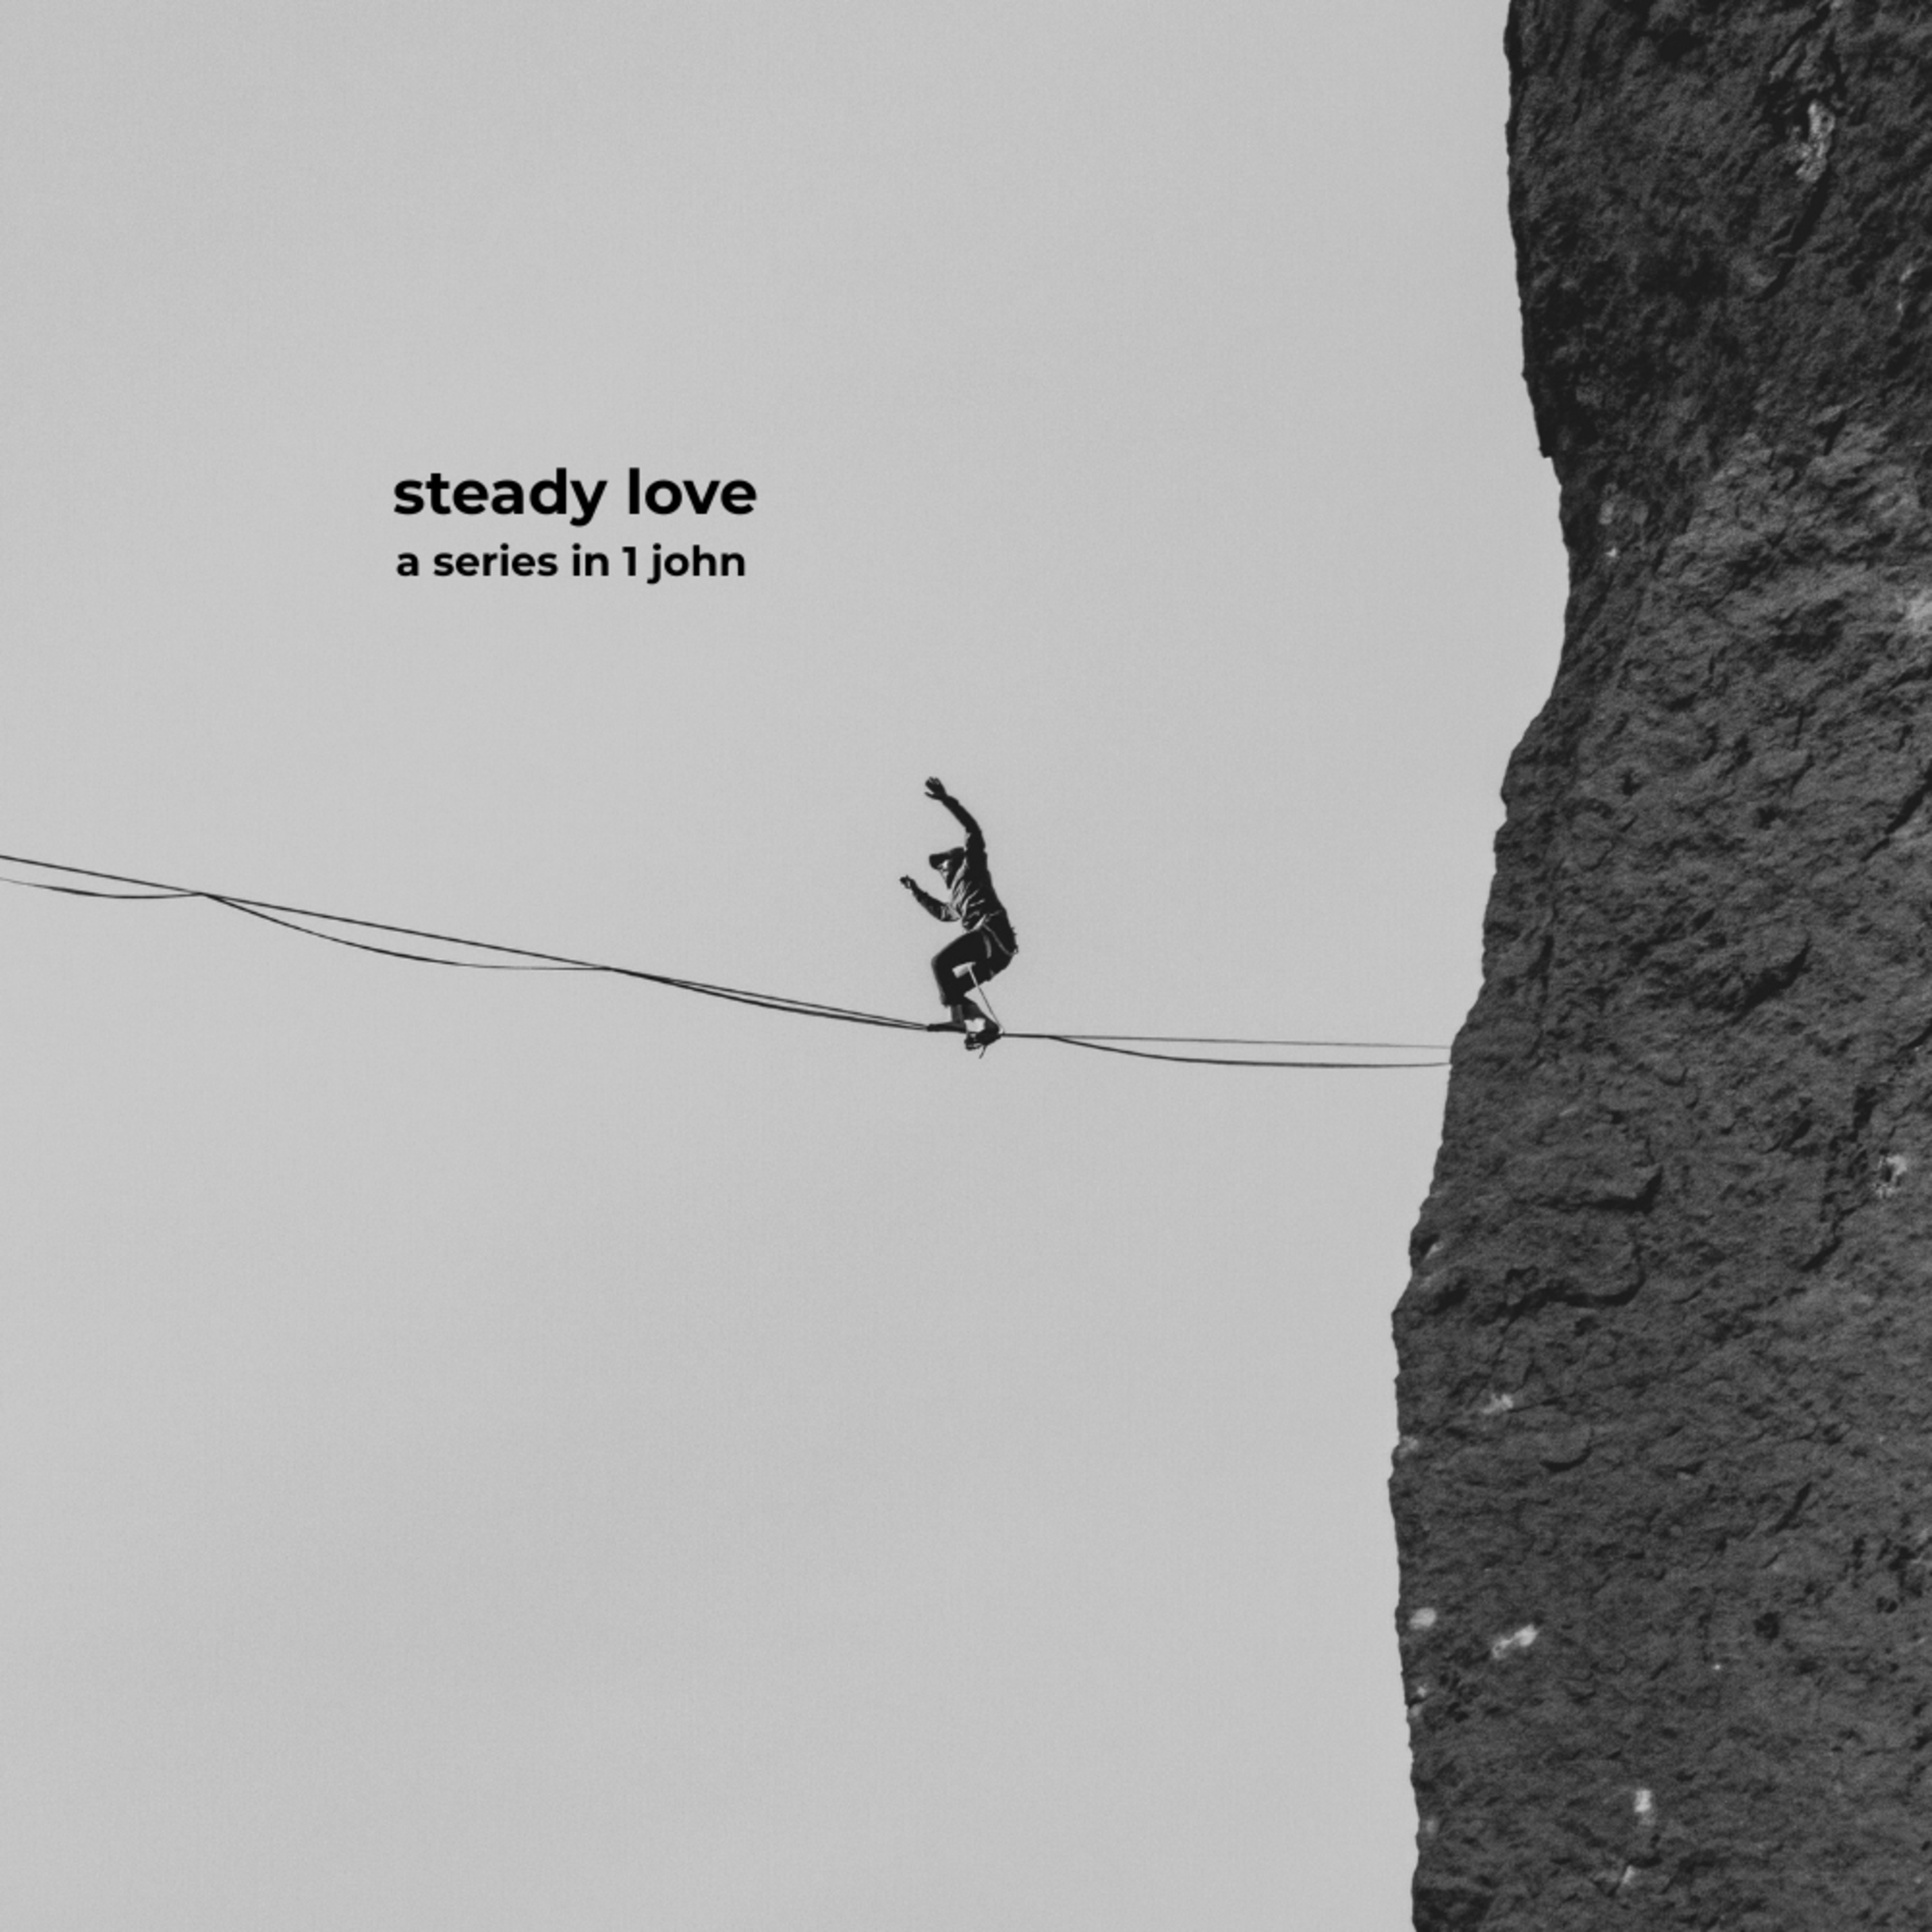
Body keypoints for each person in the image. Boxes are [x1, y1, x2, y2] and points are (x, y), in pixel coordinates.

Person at [900, 777, 1018, 1045]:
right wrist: (916, 892)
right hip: (997, 956)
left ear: (957, 861)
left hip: (993, 931)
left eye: (943, 864)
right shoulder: (955, 900)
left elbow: (973, 829)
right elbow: (942, 913)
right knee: (950, 990)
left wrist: (946, 800)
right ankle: (986, 1025)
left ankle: (957, 1020)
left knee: (939, 963)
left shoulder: (971, 867)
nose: (941, 870)